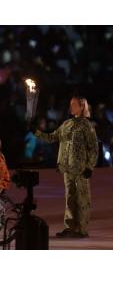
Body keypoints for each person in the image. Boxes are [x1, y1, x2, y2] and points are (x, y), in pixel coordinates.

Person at [34, 97, 98, 238]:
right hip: (67, 168)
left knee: (82, 199)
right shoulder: (66, 124)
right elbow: (52, 137)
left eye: (74, 105)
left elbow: (93, 148)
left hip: (80, 169)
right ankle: (70, 227)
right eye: (70, 105)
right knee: (69, 197)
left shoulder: (87, 126)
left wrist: (89, 166)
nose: (71, 107)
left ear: (82, 107)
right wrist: (36, 132)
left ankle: (81, 229)